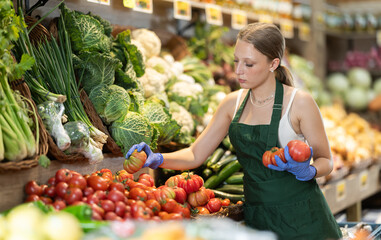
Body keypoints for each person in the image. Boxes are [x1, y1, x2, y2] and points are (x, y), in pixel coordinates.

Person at [126, 22, 342, 240]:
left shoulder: (299, 102)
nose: (239, 71)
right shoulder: (232, 104)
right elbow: (195, 154)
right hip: (257, 219)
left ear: (273, 64)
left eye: (249, 64)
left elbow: (326, 160)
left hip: (304, 220)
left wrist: (310, 171)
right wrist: (156, 158)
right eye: (236, 61)